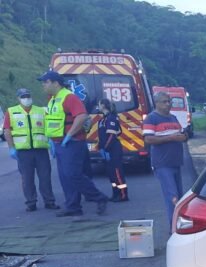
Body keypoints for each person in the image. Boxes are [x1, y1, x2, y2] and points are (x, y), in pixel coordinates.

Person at [39, 70, 109, 217]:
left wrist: (69, 135)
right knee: (65, 176)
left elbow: (82, 116)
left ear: (56, 83)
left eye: (46, 82)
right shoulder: (52, 99)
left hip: (71, 143)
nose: (43, 85)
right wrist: (52, 140)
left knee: (73, 174)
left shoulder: (69, 97)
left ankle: (99, 197)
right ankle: (72, 206)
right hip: (59, 143)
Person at [3, 88, 59, 212]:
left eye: (28, 96)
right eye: (23, 96)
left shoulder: (41, 110)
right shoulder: (11, 111)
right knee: (27, 179)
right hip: (23, 152)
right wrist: (11, 148)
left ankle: (49, 201)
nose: (26, 99)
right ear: (18, 98)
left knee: (45, 177)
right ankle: (31, 203)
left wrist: (52, 141)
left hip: (41, 150)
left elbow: (49, 127)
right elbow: (7, 131)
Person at [143, 91, 187, 229]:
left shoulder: (173, 118)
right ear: (156, 103)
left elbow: (182, 134)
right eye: (164, 102)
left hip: (176, 162)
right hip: (162, 164)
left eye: (169, 101)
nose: (168, 104)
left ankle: (178, 224)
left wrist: (184, 137)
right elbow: (148, 139)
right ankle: (173, 228)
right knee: (172, 197)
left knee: (179, 196)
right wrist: (171, 138)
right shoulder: (151, 118)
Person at [97, 98, 128, 202]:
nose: (98, 107)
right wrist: (100, 147)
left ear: (103, 105)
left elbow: (112, 135)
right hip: (107, 150)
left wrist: (106, 148)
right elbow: (102, 136)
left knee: (117, 173)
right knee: (111, 174)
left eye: (99, 104)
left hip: (113, 149)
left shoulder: (111, 118)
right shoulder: (103, 119)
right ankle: (115, 193)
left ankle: (123, 195)